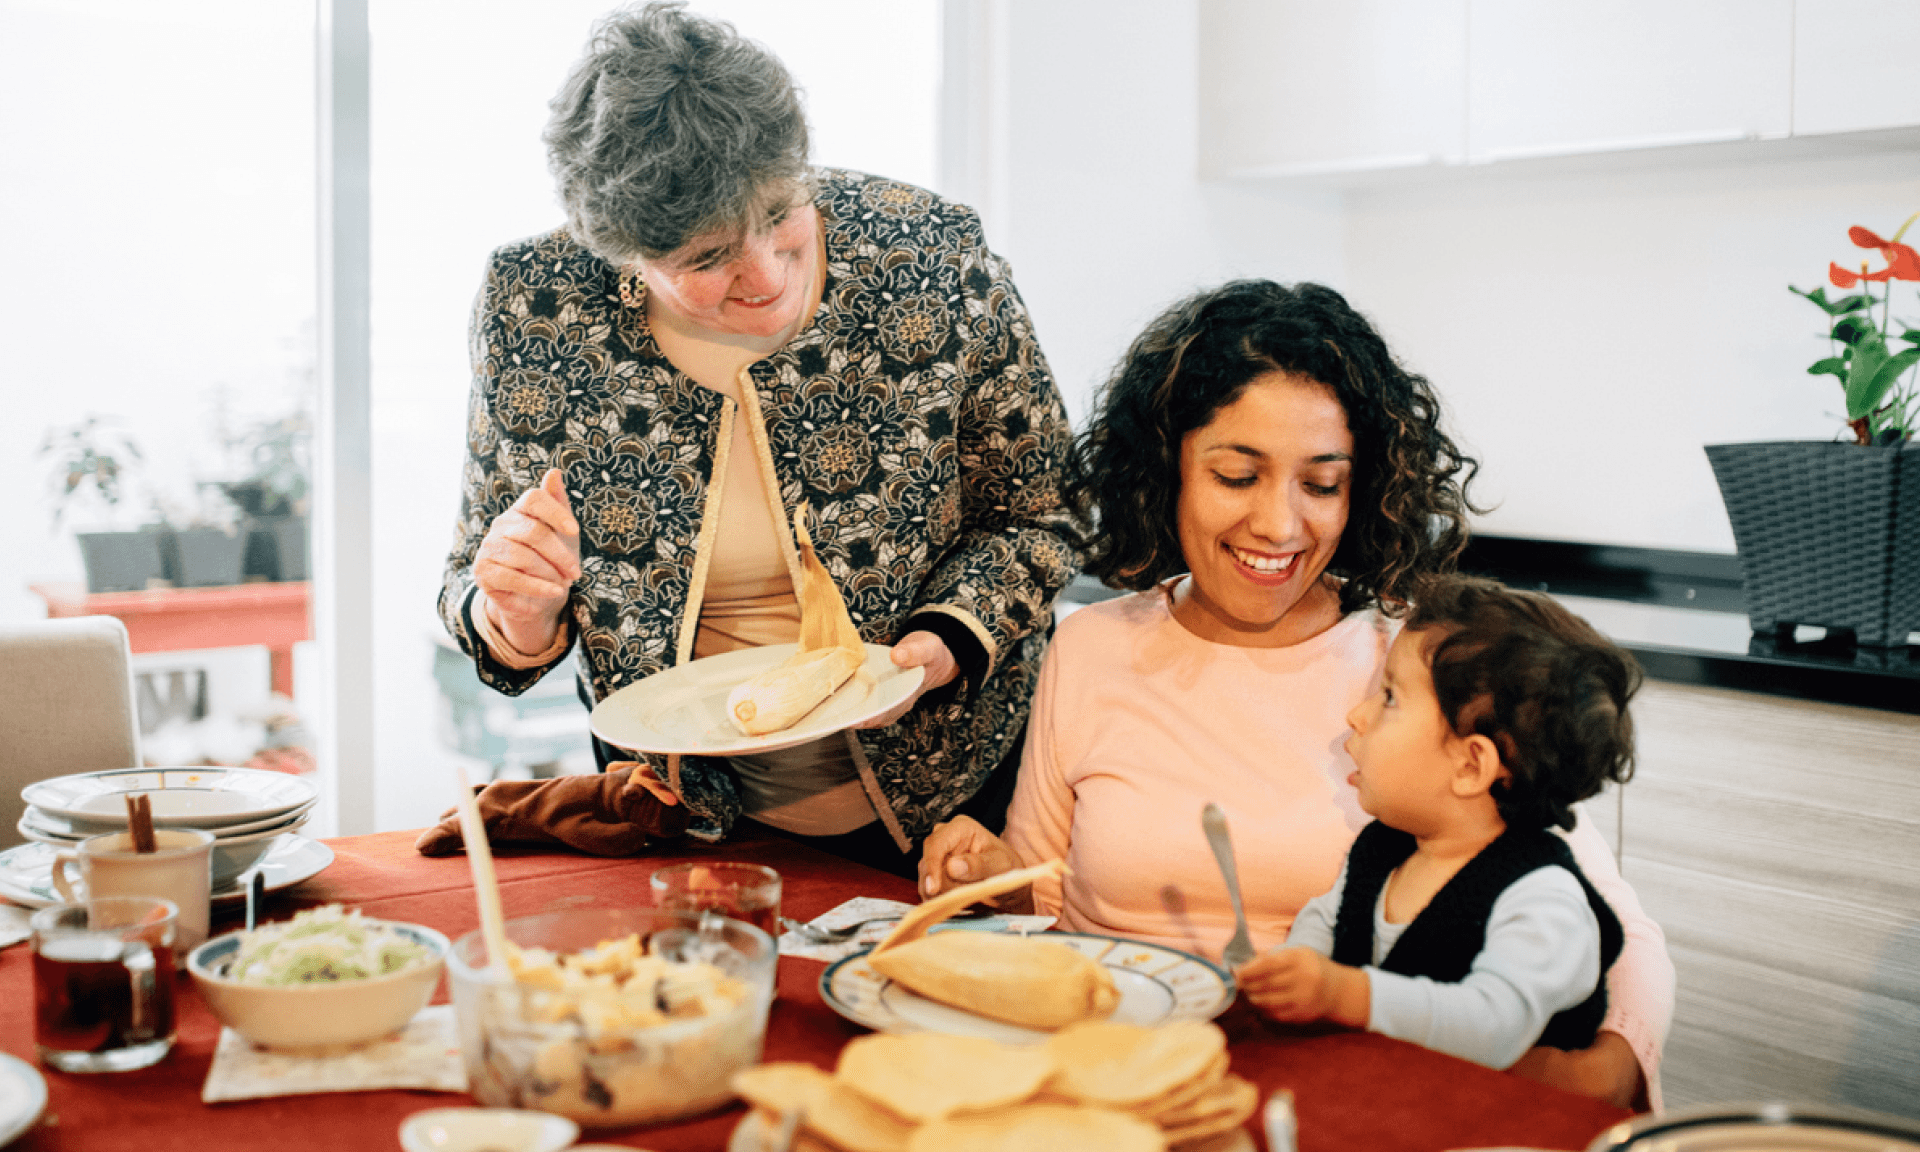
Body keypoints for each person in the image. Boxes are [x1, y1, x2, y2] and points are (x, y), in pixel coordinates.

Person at [917, 279, 1674, 1108]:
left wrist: (1601, 1075)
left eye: (1320, 485)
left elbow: (1603, 917)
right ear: (1168, 468)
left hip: (1341, 1090)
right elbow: (1045, 892)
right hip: (1121, 1077)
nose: (1281, 526)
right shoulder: (1094, 646)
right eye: (1238, 475)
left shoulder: (1415, 662)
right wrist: (987, 875)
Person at [437, 2, 1078, 877]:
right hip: (675, 820)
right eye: (707, 261)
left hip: (952, 806)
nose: (766, 274)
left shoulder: (929, 259)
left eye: (782, 213)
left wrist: (939, 647)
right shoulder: (538, 306)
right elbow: (479, 578)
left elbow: (1044, 513)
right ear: (622, 256)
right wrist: (515, 616)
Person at [1239, 574, 1638, 1071]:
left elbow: (1491, 1027)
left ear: (1471, 767)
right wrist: (1297, 967)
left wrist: (1345, 994)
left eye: (1389, 697)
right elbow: (1327, 919)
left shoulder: (1542, 898)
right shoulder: (1383, 850)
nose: (1357, 715)